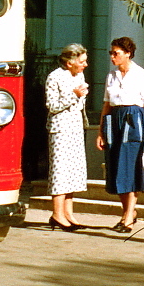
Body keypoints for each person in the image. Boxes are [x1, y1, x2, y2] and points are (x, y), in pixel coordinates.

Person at [94, 36, 144, 233]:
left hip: (134, 120)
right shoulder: (111, 76)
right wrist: (101, 131)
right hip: (114, 120)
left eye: (116, 53)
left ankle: (129, 216)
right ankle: (127, 212)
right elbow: (106, 104)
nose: (112, 57)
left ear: (127, 54)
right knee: (115, 166)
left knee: (130, 167)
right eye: (111, 53)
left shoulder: (140, 75)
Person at [44, 43, 91, 231]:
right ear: (70, 62)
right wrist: (74, 95)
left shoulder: (79, 75)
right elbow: (52, 105)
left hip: (75, 127)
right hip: (60, 128)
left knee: (73, 170)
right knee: (60, 170)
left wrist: (80, 96)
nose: (85, 65)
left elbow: (81, 101)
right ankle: (57, 213)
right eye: (82, 61)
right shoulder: (54, 77)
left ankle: (68, 213)